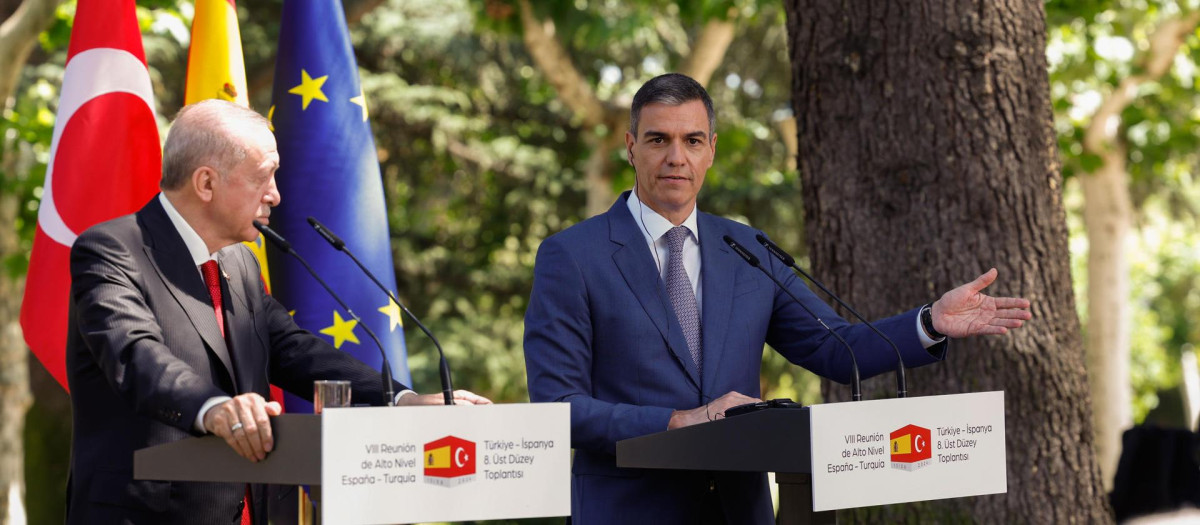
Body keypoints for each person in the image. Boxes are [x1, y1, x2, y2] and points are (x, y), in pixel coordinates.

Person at [522, 73, 1032, 524]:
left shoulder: (746, 248)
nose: (676, 157)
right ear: (631, 147)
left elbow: (836, 348)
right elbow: (557, 408)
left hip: (738, 510)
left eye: (692, 140)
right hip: (627, 511)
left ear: (711, 150)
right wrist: (680, 421)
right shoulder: (573, 255)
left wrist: (931, 322)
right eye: (659, 139)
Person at [65, 99, 489, 524]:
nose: (276, 195)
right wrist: (214, 408)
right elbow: (138, 357)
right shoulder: (111, 251)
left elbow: (292, 351)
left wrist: (400, 399)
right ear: (206, 183)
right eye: (263, 177)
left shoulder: (239, 262)